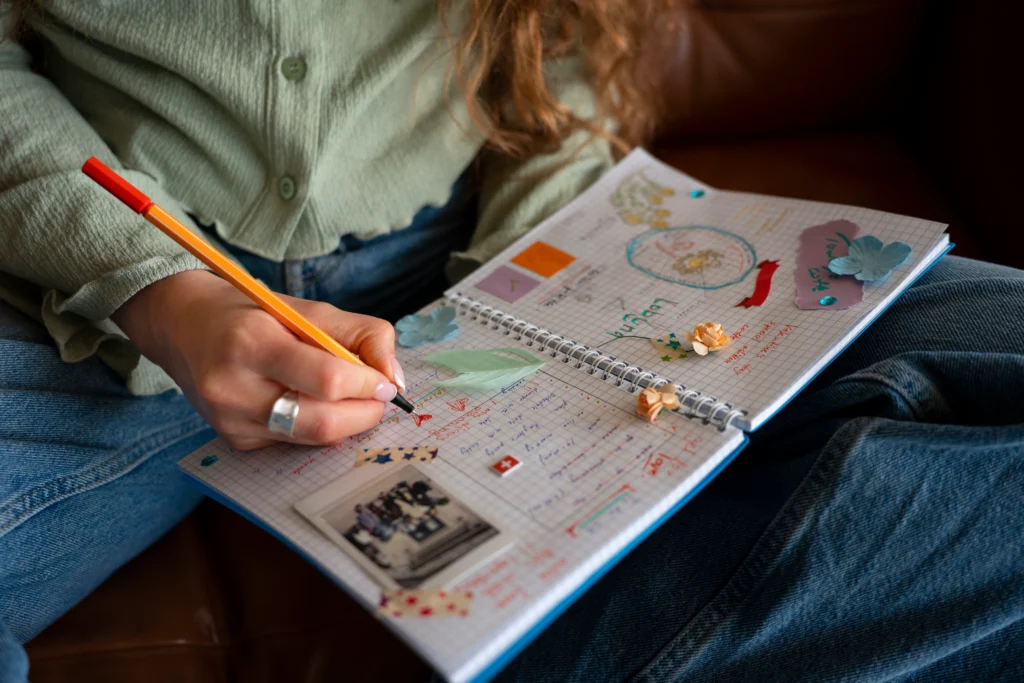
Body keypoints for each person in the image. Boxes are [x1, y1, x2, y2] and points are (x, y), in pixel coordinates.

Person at [0, 3, 1021, 683]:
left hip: (500, 224)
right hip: (103, 282)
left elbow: (557, 41)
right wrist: (157, 289)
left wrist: (537, 280)